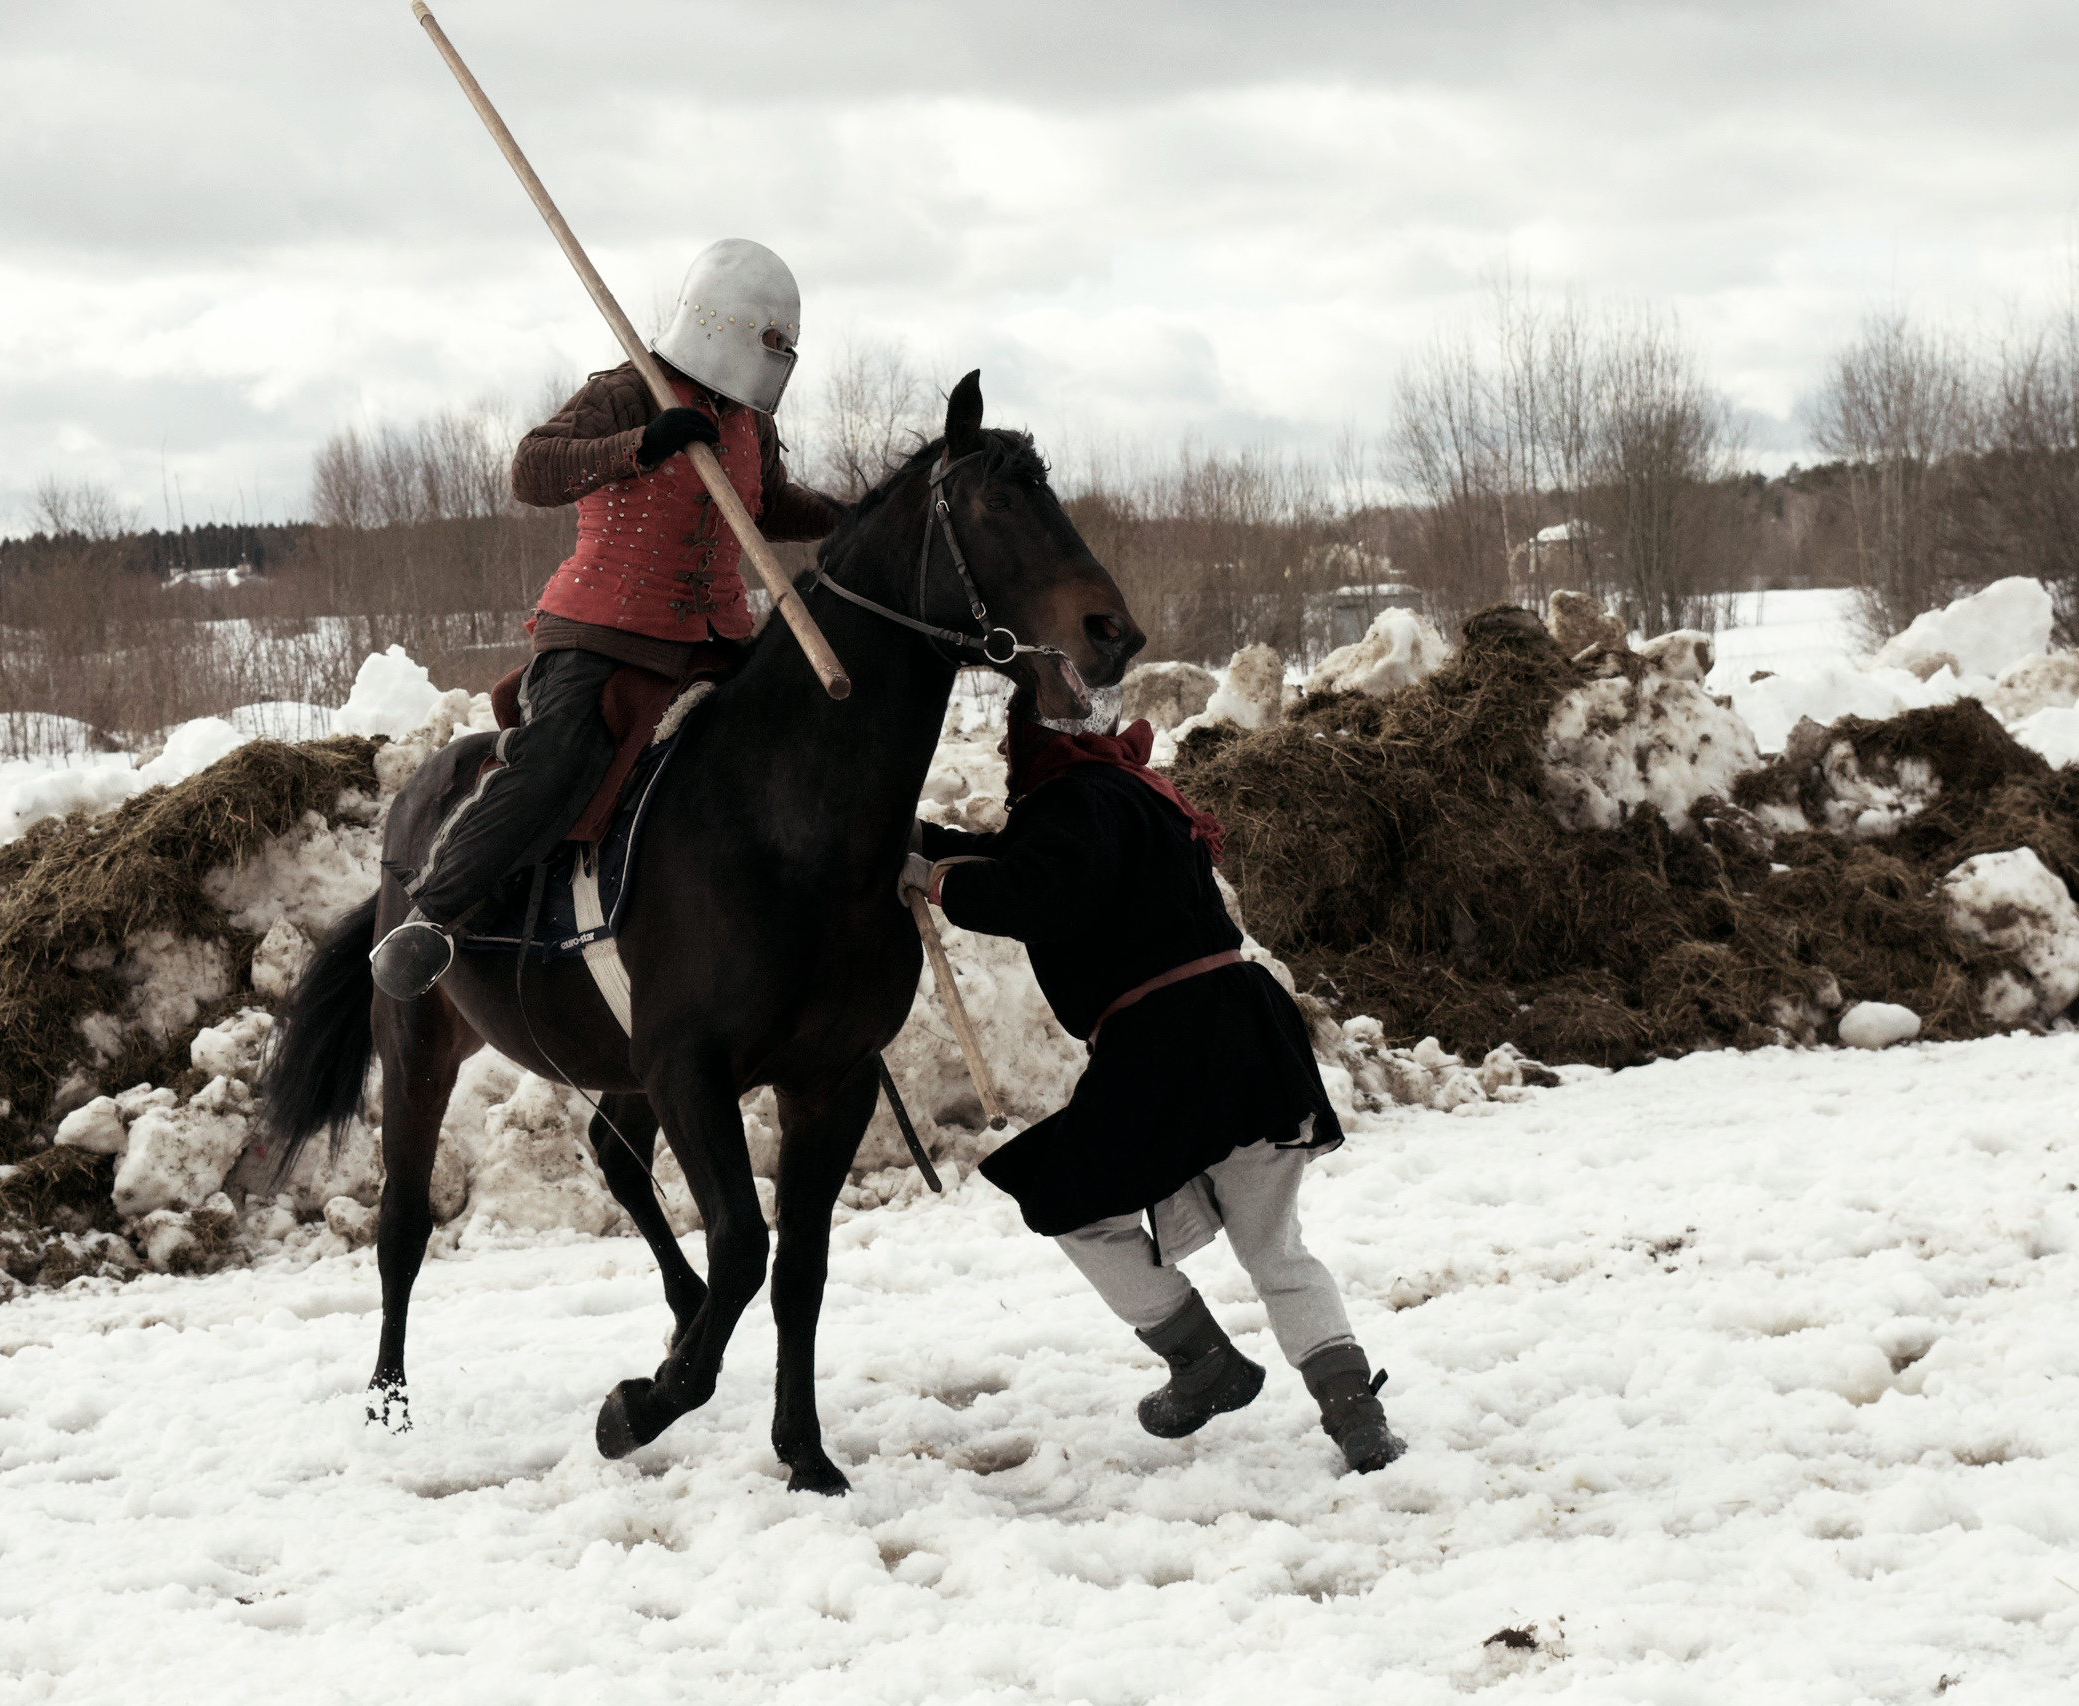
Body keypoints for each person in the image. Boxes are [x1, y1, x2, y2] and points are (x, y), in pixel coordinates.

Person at [902, 709, 1407, 1475]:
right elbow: (1016, 858)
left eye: (1017, 735)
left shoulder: (1070, 800)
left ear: (1047, 741)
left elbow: (1035, 893)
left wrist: (934, 883)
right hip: (1245, 1026)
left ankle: (1200, 1358)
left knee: (1069, 1202)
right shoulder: (1123, 791)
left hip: (1165, 1040)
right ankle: (1354, 1413)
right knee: (1275, 1246)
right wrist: (921, 841)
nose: (1005, 749)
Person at [371, 238, 844, 1000]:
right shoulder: (629, 390)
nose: (780, 355)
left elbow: (769, 504)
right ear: (726, 325)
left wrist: (849, 519)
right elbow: (531, 469)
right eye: (771, 341)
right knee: (558, 756)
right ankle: (434, 913)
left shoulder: (751, 422)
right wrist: (641, 446)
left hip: (717, 642)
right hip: (601, 635)